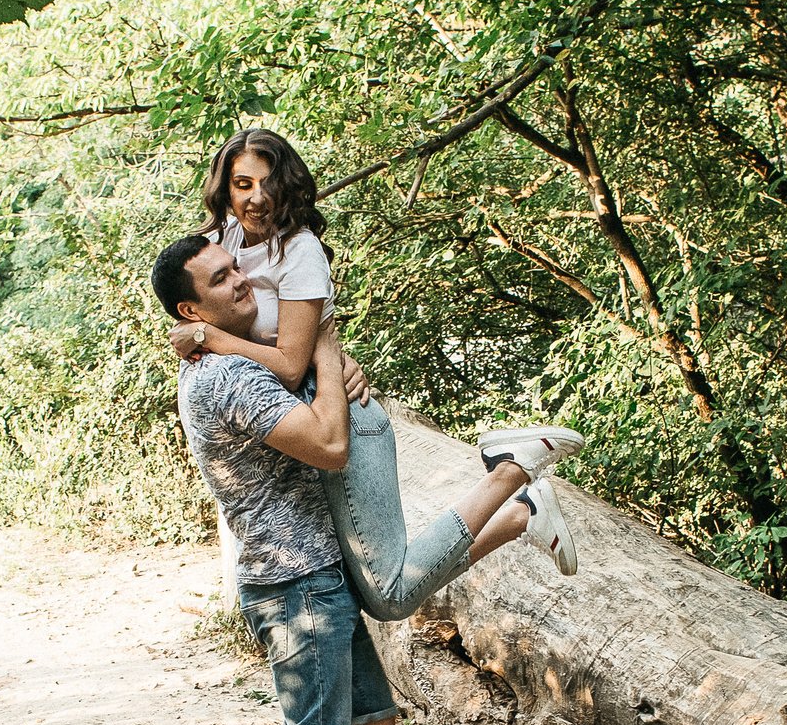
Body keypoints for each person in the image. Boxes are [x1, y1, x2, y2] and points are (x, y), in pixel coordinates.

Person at [153, 232, 582, 725]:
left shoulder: (233, 351)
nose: (240, 282)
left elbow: (311, 383)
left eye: (237, 267)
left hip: (311, 568)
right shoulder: (223, 376)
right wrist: (322, 336)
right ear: (192, 305)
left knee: (373, 720)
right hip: (295, 586)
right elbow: (327, 443)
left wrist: (328, 354)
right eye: (220, 280)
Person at [170, 130, 586, 601]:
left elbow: (288, 367)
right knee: (379, 593)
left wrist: (213, 337)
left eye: (269, 183)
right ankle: (521, 515)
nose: (257, 198)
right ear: (225, 187)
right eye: (243, 184)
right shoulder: (217, 241)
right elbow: (184, 302)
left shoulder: (300, 250)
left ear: (287, 185)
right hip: (301, 419)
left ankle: (514, 470)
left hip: (341, 411)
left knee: (389, 594)